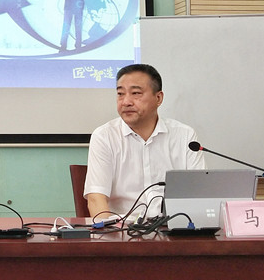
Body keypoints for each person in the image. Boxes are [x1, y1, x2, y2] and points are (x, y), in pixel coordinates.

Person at [83, 63, 204, 219]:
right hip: (122, 229)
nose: (126, 101)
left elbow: (199, 192)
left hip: (172, 227)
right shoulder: (104, 136)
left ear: (158, 98)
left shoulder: (184, 135)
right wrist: (109, 232)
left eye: (136, 93)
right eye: (120, 94)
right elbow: (96, 198)